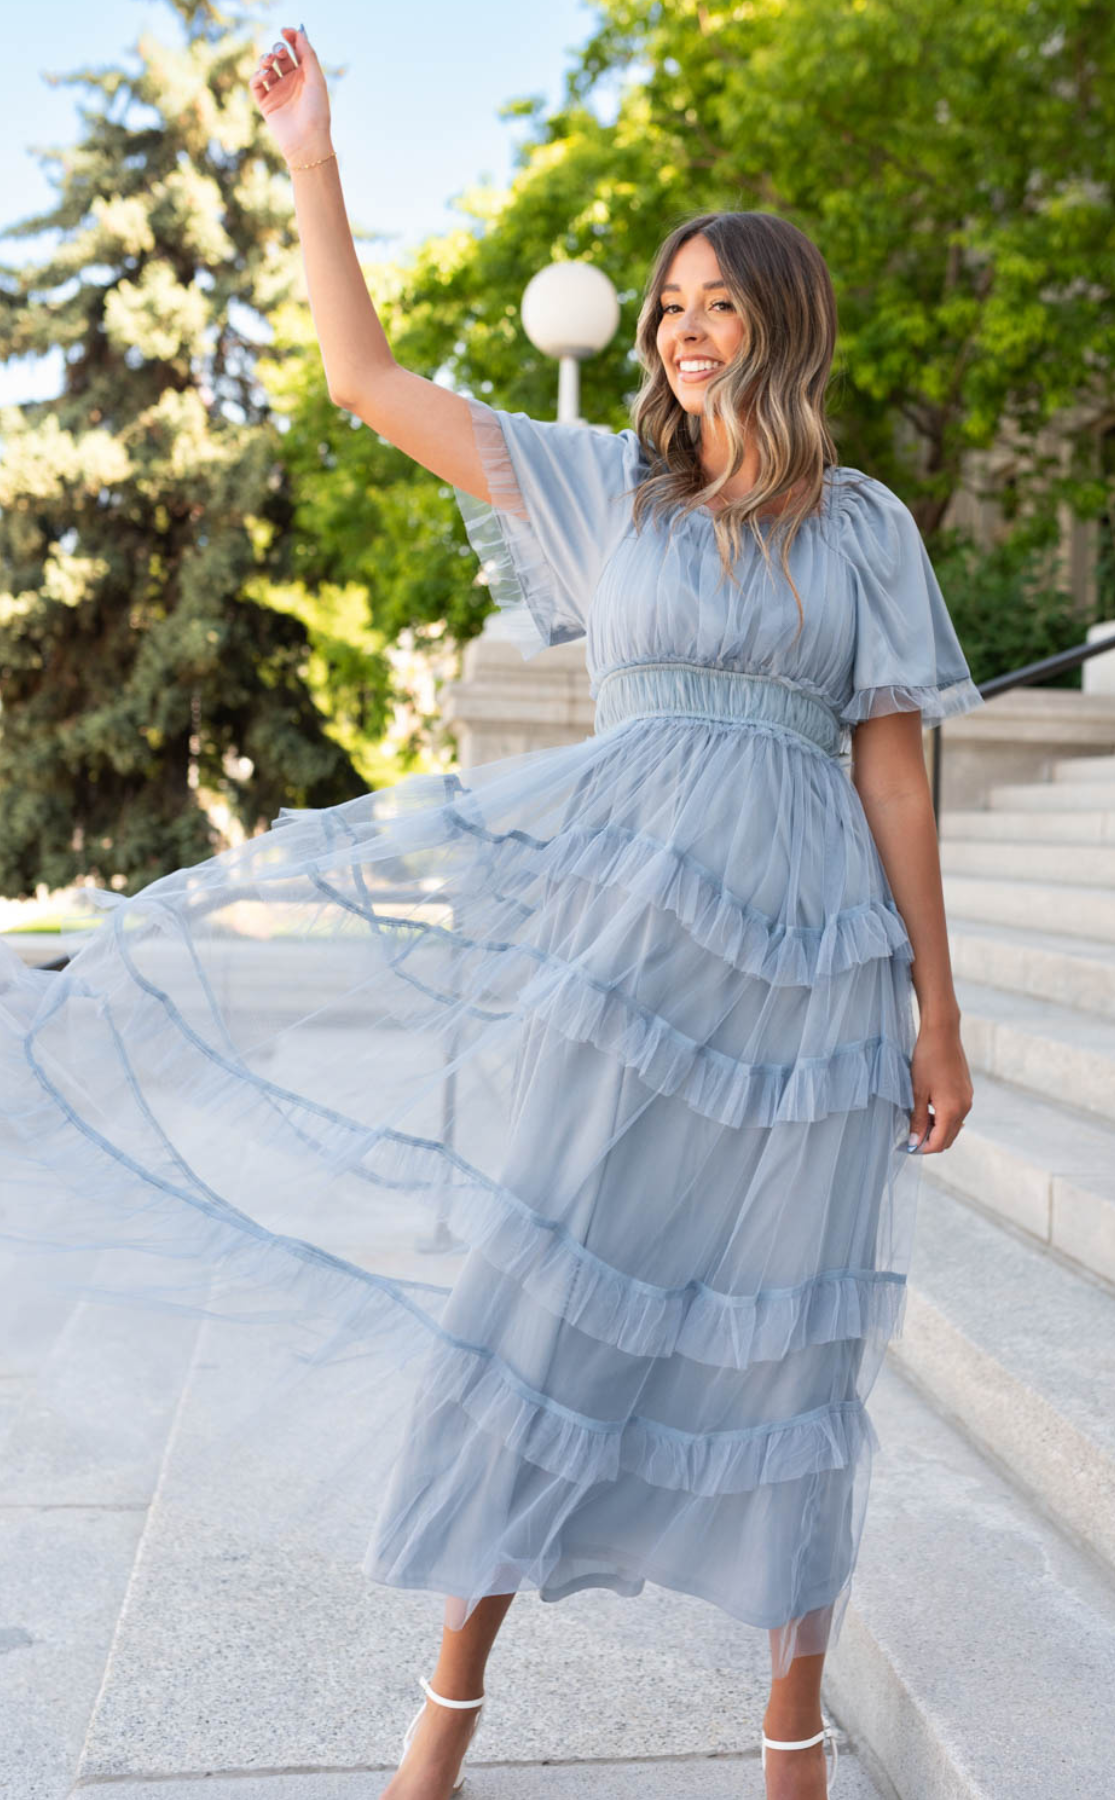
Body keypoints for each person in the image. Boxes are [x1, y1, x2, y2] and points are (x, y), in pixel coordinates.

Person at [0, 23, 983, 1800]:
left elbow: (896, 776)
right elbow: (367, 379)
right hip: (624, 966)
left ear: (780, 321)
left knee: (793, 1329)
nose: (683, 326)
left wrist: (937, 1006)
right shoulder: (602, 497)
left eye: (715, 301)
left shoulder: (864, 531)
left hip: (811, 977)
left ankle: (786, 1739)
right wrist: (311, 158)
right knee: (545, 1307)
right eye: (669, 301)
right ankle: (438, 1731)